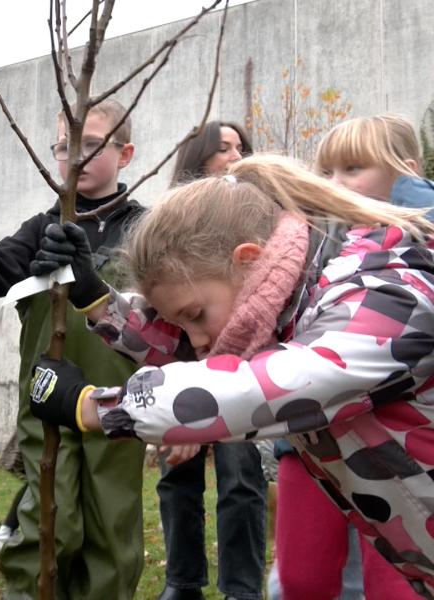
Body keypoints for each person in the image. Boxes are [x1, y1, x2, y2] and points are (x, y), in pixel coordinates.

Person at [27, 153, 434, 598]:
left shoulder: (386, 297)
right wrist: (95, 299)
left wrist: (92, 407)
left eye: (195, 315)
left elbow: (254, 387)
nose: (196, 340)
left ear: (249, 260)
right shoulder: (296, 304)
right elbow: (191, 347)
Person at [0, 99, 146, 599]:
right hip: (47, 397)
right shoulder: (43, 228)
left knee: (111, 521)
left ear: (125, 154)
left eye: (91, 144)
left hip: (119, 403)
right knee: (48, 516)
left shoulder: (146, 230)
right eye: (64, 146)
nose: (75, 156)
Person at [261, 113, 434, 600]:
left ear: (407, 171)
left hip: (394, 447)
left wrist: (410, 197)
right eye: (328, 172)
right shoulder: (315, 240)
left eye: (353, 169)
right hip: (312, 437)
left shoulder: (420, 238)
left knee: (395, 586)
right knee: (301, 579)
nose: (335, 184)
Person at [152, 121, 267, 600]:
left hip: (243, 363)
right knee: (177, 477)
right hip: (182, 363)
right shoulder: (170, 220)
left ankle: (242, 588)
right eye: (223, 148)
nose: (236, 156)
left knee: (241, 478)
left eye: (241, 147)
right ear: (197, 158)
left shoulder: (258, 214)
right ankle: (182, 582)